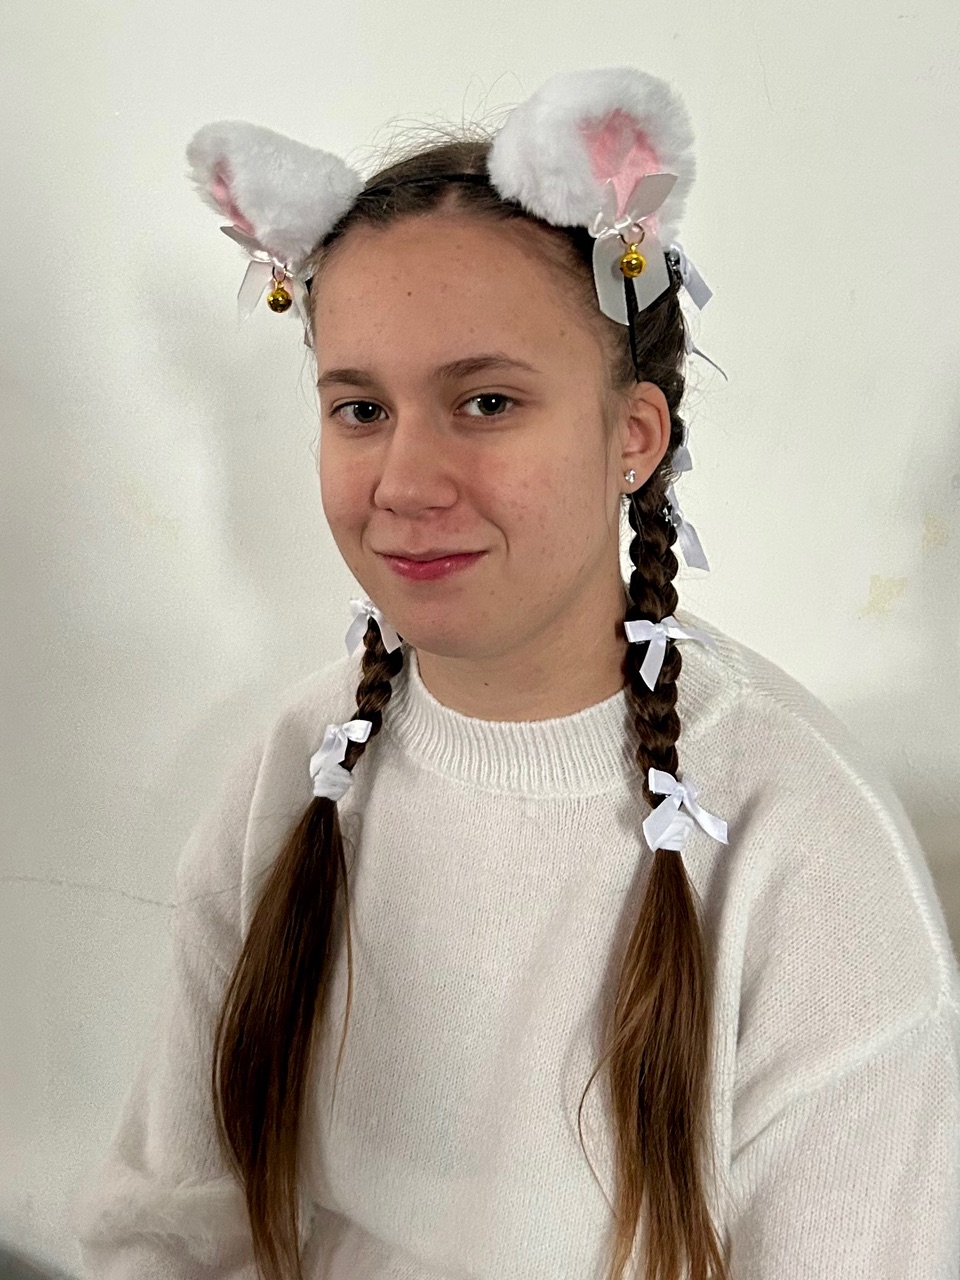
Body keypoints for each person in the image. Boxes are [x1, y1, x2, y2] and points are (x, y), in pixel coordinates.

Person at [71, 67, 960, 1280]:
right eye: (360, 408)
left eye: (486, 400)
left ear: (632, 436)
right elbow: (168, 1224)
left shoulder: (803, 848)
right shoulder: (297, 765)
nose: (405, 482)